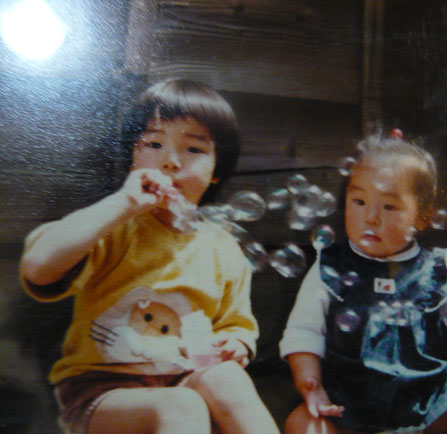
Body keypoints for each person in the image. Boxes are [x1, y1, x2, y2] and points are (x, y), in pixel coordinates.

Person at [20, 78, 280, 434]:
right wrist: (123, 203)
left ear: (217, 170)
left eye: (193, 149)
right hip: (103, 392)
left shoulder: (223, 247)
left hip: (184, 379)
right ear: (133, 158)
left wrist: (234, 345)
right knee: (181, 405)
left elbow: (235, 325)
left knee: (226, 378)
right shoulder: (114, 227)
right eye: (154, 144)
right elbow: (38, 267)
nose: (171, 162)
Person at [279, 131, 447, 433]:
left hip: (428, 400)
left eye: (388, 206)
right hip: (351, 402)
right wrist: (311, 385)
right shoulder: (330, 265)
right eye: (359, 201)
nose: (371, 217)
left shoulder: (436, 268)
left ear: (423, 216)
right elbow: (303, 332)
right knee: (302, 424)